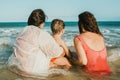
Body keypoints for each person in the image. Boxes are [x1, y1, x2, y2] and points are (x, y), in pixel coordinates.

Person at [7, 9, 70, 76]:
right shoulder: (41, 33)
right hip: (33, 70)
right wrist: (62, 49)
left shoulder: (23, 31)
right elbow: (57, 53)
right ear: (42, 23)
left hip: (18, 66)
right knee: (65, 61)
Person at [74, 11, 112, 76]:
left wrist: (72, 61)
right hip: (107, 73)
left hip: (92, 75)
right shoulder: (100, 36)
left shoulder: (78, 38)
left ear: (81, 24)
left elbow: (83, 62)